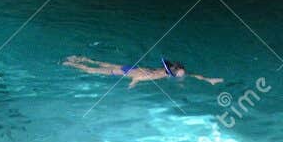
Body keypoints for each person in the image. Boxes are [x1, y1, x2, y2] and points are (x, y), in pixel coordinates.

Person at [63, 55, 222, 86]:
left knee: (102, 63)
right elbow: (140, 77)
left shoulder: (164, 71)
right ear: (173, 72)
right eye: (180, 74)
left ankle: (79, 58)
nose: (182, 75)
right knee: (92, 71)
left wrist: (208, 79)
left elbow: (193, 75)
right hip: (127, 73)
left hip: (130, 68)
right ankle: (72, 64)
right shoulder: (158, 76)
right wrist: (132, 84)